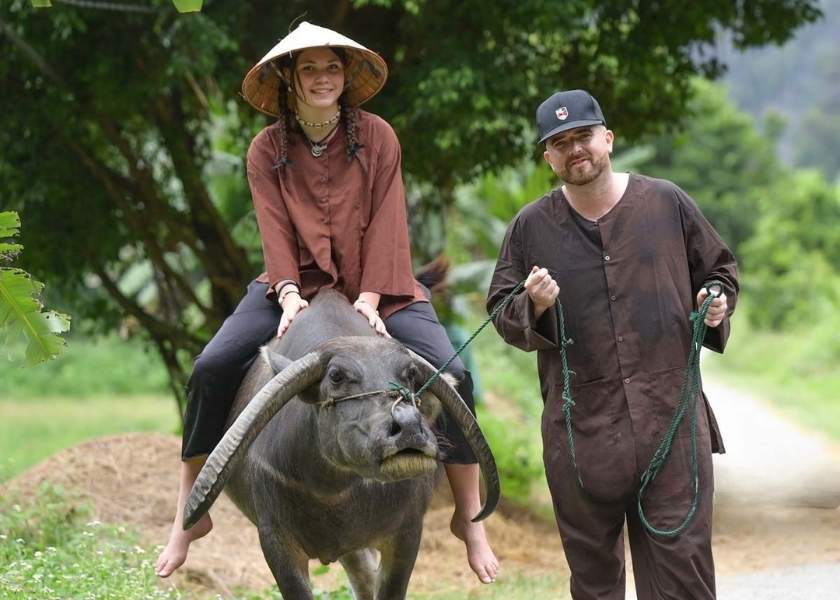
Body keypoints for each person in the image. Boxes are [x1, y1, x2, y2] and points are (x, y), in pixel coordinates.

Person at [155, 22, 499, 584]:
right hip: (292, 288)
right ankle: (188, 515)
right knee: (211, 366)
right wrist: (288, 295)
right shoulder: (267, 148)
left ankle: (468, 516)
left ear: (346, 75)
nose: (322, 79)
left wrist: (369, 297)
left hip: (381, 286)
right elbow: (272, 228)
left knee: (452, 370)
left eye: (332, 68)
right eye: (309, 69)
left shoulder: (380, 136)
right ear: (290, 78)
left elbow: (390, 220)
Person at [486, 89, 738, 599]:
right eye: (560, 143)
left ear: (608, 138)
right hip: (581, 438)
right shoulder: (530, 226)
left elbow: (719, 271)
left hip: (671, 428)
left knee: (683, 579)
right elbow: (500, 310)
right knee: (595, 585)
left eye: (583, 136)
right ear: (548, 157)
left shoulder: (666, 202)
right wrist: (532, 304)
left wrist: (715, 301)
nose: (575, 149)